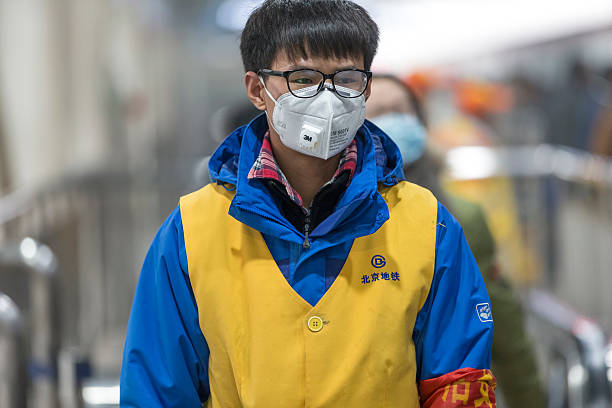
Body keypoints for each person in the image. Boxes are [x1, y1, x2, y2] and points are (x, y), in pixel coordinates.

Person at [120, 1, 497, 406]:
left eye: (347, 78)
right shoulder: (190, 233)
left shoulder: (427, 226)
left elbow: (457, 383)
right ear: (256, 89)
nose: (328, 97)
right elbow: (157, 392)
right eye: (302, 78)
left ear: (366, 88)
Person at [367, 74, 545, 408]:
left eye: (400, 111)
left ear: (421, 123)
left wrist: (532, 399)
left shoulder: (460, 217)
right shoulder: (335, 218)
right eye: (377, 113)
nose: (392, 122)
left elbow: (503, 325)